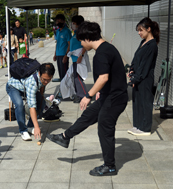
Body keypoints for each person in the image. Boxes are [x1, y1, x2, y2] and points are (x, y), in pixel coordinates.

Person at [47, 21, 128, 176]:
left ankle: (110, 166)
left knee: (105, 130)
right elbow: (110, 75)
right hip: (109, 95)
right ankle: (65, 137)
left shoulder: (102, 54)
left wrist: (88, 95)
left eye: (81, 41)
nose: (82, 44)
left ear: (87, 38)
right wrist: (100, 91)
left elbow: (103, 77)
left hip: (114, 99)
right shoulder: (107, 48)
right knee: (88, 115)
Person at [127, 17, 160, 136]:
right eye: (138, 31)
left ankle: (145, 128)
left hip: (145, 79)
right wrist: (131, 70)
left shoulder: (152, 45)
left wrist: (136, 78)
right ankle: (138, 125)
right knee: (137, 101)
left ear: (149, 29)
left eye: (141, 30)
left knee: (145, 102)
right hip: (138, 76)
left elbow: (145, 66)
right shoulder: (143, 42)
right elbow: (137, 59)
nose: (139, 33)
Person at [6, 63, 55, 141]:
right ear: (39, 73)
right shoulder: (32, 83)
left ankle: (30, 126)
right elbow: (32, 106)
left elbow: (42, 87)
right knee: (19, 104)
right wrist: (37, 127)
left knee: (42, 103)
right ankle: (23, 130)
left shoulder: (43, 77)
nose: (46, 82)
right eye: (44, 79)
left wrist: (41, 97)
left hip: (24, 87)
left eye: (49, 80)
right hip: (13, 86)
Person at [69, 15, 88, 103]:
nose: (72, 25)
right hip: (74, 58)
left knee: (78, 77)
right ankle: (79, 94)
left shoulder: (81, 33)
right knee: (76, 76)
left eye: (74, 23)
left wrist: (81, 56)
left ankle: (83, 95)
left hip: (78, 58)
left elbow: (85, 45)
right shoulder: (76, 32)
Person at [53, 14, 72, 81]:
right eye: (57, 21)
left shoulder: (67, 31)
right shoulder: (57, 31)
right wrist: (55, 54)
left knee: (64, 73)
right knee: (61, 73)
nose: (58, 22)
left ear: (64, 21)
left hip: (64, 54)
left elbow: (70, 44)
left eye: (60, 20)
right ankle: (62, 87)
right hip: (58, 54)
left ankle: (66, 89)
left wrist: (66, 55)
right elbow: (57, 43)